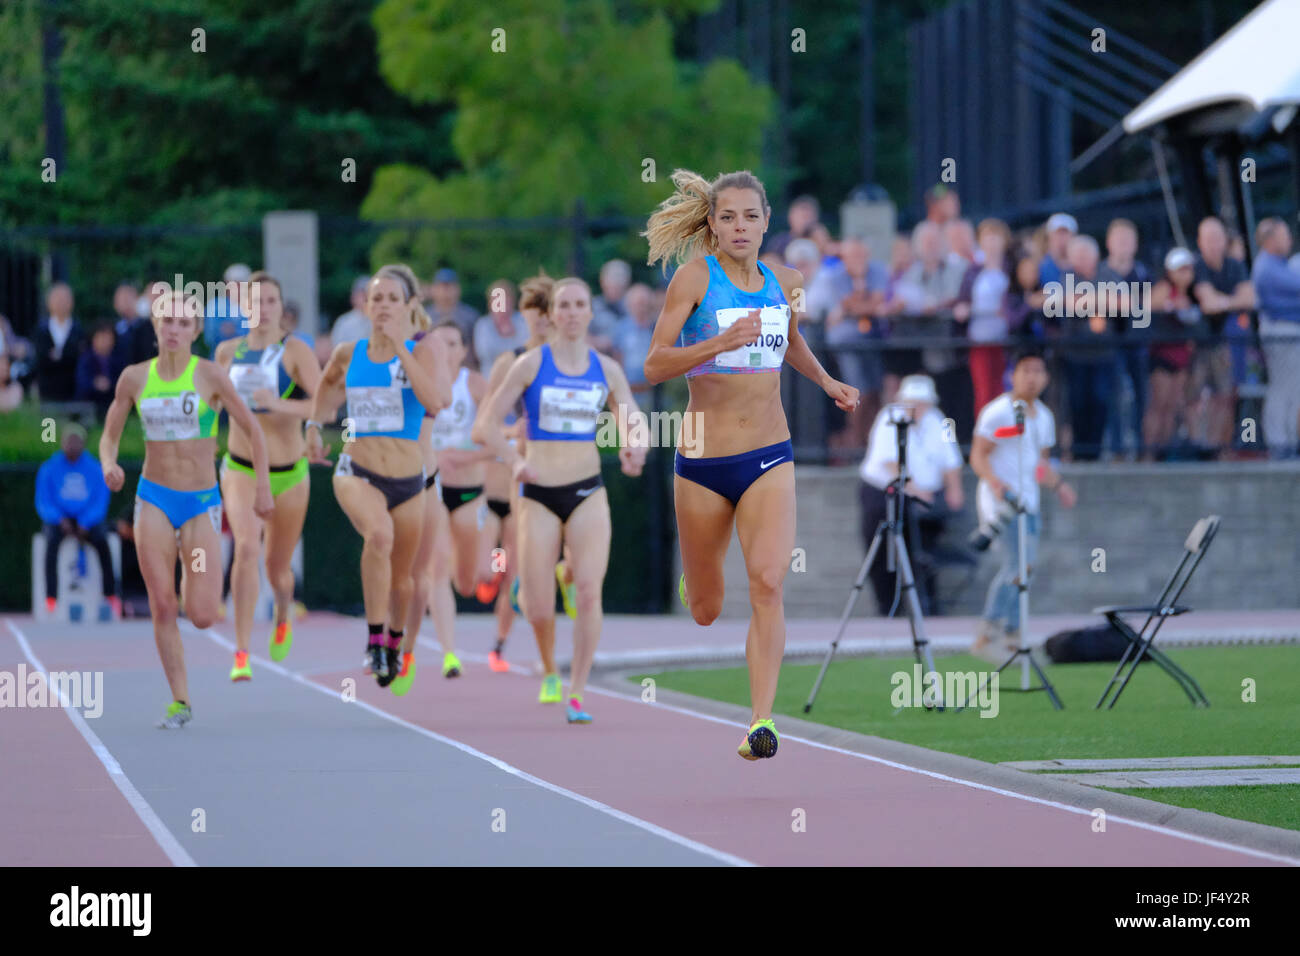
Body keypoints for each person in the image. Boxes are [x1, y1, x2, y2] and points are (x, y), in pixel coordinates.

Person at [641, 168, 858, 759]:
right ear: (712, 224)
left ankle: (761, 721)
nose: (740, 227)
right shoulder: (692, 279)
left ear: (767, 222)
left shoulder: (786, 280)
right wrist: (717, 342)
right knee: (708, 610)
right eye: (728, 217)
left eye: (751, 216)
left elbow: (787, 340)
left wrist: (826, 380)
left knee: (767, 582)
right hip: (704, 462)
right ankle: (699, 579)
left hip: (769, 453)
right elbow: (655, 366)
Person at [472, 277, 648, 724]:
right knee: (535, 602)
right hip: (537, 492)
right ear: (551, 315)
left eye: (579, 305)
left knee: (590, 593)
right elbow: (486, 425)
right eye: (563, 306)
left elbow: (632, 417)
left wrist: (635, 445)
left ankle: (576, 691)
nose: (571, 313)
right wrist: (513, 460)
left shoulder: (605, 368)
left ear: (590, 313)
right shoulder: (529, 365)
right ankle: (549, 667)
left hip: (587, 489)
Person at [100, 284, 273, 728]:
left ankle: (190, 578)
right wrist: (109, 463)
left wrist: (262, 488)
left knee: (199, 614)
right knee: (162, 605)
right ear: (156, 328)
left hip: (198, 506)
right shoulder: (135, 378)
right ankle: (180, 700)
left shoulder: (211, 375)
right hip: (154, 499)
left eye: (183, 323)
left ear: (195, 330)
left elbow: (253, 430)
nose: (174, 330)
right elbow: (111, 433)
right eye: (167, 322)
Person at [306, 264, 450, 686]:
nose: (383, 306)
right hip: (357, 469)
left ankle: (393, 642)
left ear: (409, 305)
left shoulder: (425, 349)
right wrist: (314, 426)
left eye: (392, 299)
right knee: (379, 536)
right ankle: (373, 641)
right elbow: (326, 386)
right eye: (376, 299)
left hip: (409, 481)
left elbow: (436, 403)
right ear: (366, 306)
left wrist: (402, 350)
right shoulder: (348, 353)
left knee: (403, 582)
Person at [214, 272, 322, 681]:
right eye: (255, 302)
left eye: (271, 302)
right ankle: (241, 652)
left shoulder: (295, 351)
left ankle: (282, 608)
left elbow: (321, 406)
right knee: (245, 548)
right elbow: (209, 405)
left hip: (290, 474)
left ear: (281, 308)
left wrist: (281, 407)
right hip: (241, 467)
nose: (263, 310)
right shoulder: (226, 352)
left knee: (278, 568)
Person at [968, 349, 1076, 663]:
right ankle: (989, 630)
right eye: (1026, 371)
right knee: (1017, 564)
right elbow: (978, 455)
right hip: (1004, 503)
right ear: (1013, 375)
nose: (1032, 378)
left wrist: (1060, 486)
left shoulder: (1044, 416)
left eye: (1038, 371)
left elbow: (1038, 464)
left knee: (1026, 568)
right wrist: (995, 482)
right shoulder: (998, 412)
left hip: (1030, 502)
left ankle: (1013, 635)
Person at [391, 319, 479, 695]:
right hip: (433, 484)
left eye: (453, 343)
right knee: (436, 568)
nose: (445, 349)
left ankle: (492, 577)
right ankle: (448, 653)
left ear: (462, 350)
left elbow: (500, 431)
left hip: (473, 490)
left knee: (469, 580)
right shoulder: (414, 378)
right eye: (439, 342)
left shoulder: (474, 385)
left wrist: (471, 453)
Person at [477, 272, 556, 673]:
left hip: (560, 475)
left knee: (524, 571)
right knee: (503, 564)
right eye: (534, 312)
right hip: (513, 479)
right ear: (524, 315)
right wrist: (513, 434)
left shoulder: (573, 362)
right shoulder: (510, 362)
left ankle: (500, 645)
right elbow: (484, 423)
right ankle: (493, 574)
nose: (541, 319)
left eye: (548, 311)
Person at [858, 375, 963, 617]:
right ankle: (888, 609)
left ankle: (927, 607)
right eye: (912, 403)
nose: (917, 409)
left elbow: (951, 459)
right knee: (884, 553)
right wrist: (917, 491)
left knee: (924, 551)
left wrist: (954, 489)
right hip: (884, 493)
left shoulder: (939, 421)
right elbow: (890, 463)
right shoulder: (889, 417)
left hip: (923, 497)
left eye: (922, 403)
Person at [36, 423, 120, 618]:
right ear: (62, 443)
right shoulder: (49, 468)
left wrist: (86, 521)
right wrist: (58, 519)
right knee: (51, 544)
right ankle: (51, 597)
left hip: (86, 520)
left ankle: (111, 595)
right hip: (59, 519)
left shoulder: (95, 468)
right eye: (69, 440)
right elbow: (43, 501)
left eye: (76, 441)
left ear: (83, 443)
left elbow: (100, 501)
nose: (72, 445)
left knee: (103, 542)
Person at [1191, 216, 1255, 455]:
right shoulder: (1197, 266)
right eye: (1208, 239)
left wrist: (1223, 301)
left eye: (1217, 238)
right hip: (1196, 345)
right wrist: (1231, 301)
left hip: (1225, 345)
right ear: (1199, 241)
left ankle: (1221, 448)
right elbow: (1208, 302)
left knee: (1226, 396)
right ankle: (1199, 447)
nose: (1213, 244)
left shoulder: (1235, 265)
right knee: (1195, 398)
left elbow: (1249, 298)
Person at [1250, 218, 1300, 459]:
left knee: (1294, 390)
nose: (1289, 239)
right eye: (1284, 235)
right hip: (1281, 333)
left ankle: (1289, 442)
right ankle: (1280, 445)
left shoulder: (1282, 264)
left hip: (1291, 333)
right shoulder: (1266, 266)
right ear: (1270, 240)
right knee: (1282, 389)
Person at [1146, 248, 1202, 458]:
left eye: (1188, 269)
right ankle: (1149, 452)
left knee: (1172, 405)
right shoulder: (1164, 289)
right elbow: (1150, 304)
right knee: (1159, 405)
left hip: (1182, 356)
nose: (1184, 274)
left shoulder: (1192, 293)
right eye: (1180, 269)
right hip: (1163, 354)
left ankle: (1162, 452)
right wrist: (1171, 304)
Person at [954, 219, 1012, 415]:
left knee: (1004, 389)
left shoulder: (1011, 269)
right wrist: (963, 309)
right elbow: (962, 299)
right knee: (984, 391)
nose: (992, 243)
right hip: (980, 340)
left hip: (1007, 341)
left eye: (996, 237)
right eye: (987, 238)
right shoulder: (973, 271)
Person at [35, 282, 85, 403]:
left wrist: (58, 355)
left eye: (65, 298)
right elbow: (40, 358)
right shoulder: (41, 330)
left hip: (72, 388)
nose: (61, 302)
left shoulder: (78, 329)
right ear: (49, 302)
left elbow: (78, 356)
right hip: (47, 389)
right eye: (57, 298)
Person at [473, 279, 529, 374]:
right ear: (490, 303)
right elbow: (483, 353)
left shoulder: (523, 321)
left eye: (505, 299)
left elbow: (529, 349)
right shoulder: (483, 325)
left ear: (512, 301)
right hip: (489, 379)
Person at [426, 268, 481, 363]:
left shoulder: (470, 316)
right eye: (441, 287)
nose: (445, 291)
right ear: (433, 289)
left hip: (464, 367)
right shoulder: (425, 316)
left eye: (449, 287)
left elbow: (476, 350)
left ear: (458, 289)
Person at [590, 259, 631, 355]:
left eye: (620, 284)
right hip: (600, 357)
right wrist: (597, 342)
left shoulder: (633, 306)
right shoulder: (593, 306)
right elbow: (580, 335)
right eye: (612, 283)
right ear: (602, 282)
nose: (616, 288)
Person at [76, 322, 117, 419]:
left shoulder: (117, 360)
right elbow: (81, 382)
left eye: (108, 338)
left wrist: (109, 384)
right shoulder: (85, 359)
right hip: (88, 404)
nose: (104, 341)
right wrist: (95, 383)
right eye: (101, 337)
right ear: (93, 339)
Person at [331, 276, 372, 347]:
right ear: (353, 297)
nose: (365, 299)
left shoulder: (378, 321)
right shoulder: (344, 322)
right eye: (362, 295)